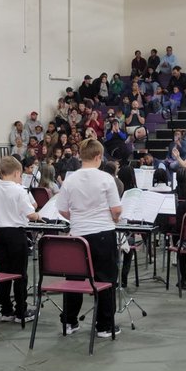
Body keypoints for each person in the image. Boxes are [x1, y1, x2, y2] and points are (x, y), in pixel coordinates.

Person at [49, 139, 122, 339]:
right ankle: (104, 326)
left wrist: (79, 219)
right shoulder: (106, 179)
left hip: (78, 235)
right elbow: (116, 210)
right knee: (105, 280)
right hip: (103, 233)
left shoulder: (70, 179)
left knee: (74, 279)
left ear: (80, 155)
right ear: (98, 156)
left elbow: (62, 209)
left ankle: (70, 322)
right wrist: (113, 218)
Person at [0, 155, 39, 322]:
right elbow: (30, 214)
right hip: (16, 235)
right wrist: (38, 215)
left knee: (3, 273)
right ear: (17, 173)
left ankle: (6, 309)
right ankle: (21, 311)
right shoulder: (19, 190)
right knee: (20, 274)